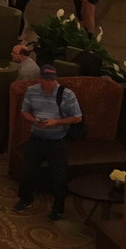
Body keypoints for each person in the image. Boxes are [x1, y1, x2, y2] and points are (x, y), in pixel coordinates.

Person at [14, 65, 83, 222]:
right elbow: (24, 111)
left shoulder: (66, 94)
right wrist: (34, 120)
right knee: (27, 170)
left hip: (57, 141)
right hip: (37, 137)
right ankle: (25, 199)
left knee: (59, 176)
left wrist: (56, 122)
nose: (50, 83)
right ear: (40, 80)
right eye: (46, 80)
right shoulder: (32, 91)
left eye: (52, 80)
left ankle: (58, 208)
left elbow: (77, 117)